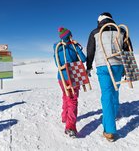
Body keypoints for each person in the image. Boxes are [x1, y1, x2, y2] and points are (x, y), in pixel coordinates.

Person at [86, 12, 133, 141]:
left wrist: (88, 66)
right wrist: (127, 69)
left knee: (106, 95)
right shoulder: (121, 30)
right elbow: (128, 49)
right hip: (118, 65)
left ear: (99, 21)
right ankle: (113, 113)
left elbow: (90, 51)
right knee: (115, 90)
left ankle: (110, 130)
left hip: (103, 65)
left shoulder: (95, 32)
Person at [53, 27, 86, 138]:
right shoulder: (73, 45)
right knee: (73, 100)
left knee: (66, 96)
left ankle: (64, 116)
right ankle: (70, 126)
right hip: (73, 76)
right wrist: (78, 46)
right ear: (70, 35)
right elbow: (83, 58)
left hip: (61, 77)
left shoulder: (56, 47)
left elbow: (57, 63)